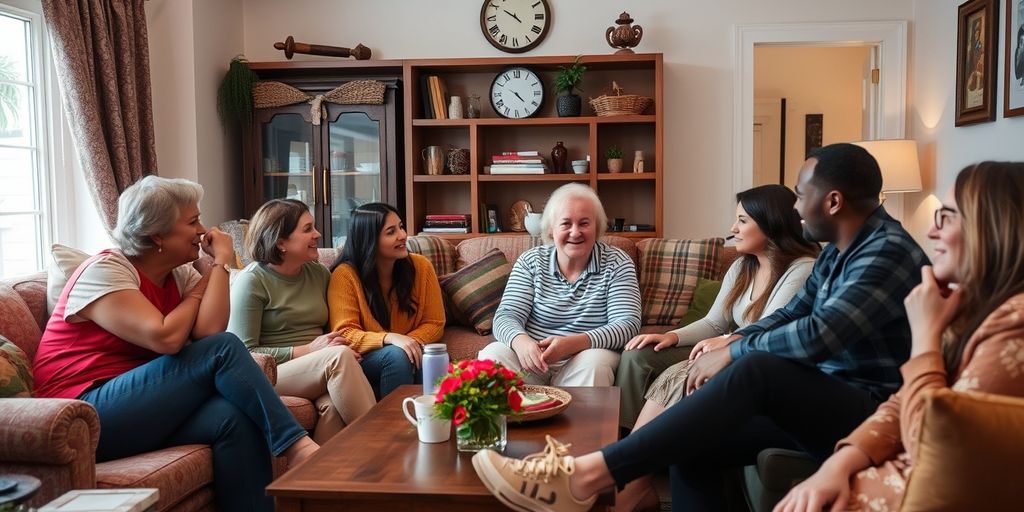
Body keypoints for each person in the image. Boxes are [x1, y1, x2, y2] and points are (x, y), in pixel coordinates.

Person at [471, 143, 929, 512]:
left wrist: (732, 351)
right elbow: (790, 316)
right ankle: (604, 475)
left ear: (833, 201)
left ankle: (588, 475)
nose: (794, 204)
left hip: (868, 407)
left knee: (756, 369)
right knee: (694, 446)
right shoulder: (837, 250)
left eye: (799, 193)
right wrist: (732, 339)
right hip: (825, 397)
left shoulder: (884, 252)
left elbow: (818, 335)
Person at [31, 176, 316, 512]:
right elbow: (167, 338)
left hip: (137, 407)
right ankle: (295, 445)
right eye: (192, 221)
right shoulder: (105, 270)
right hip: (81, 413)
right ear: (157, 235)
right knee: (224, 348)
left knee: (233, 417)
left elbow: (208, 332)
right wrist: (213, 271)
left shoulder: (178, 274)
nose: (203, 229)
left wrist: (219, 266)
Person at [775, 161, 1024, 512]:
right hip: (881, 484)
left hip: (912, 493)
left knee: (758, 372)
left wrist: (925, 336)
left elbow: (935, 442)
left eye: (946, 217)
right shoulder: (971, 307)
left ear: (993, 229)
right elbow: (900, 402)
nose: (932, 232)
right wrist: (837, 465)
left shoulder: (1015, 322)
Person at [614, 184, 820, 511]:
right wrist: (672, 337)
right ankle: (632, 479)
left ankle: (631, 484)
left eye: (742, 220)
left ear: (770, 224)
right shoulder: (742, 266)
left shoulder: (802, 270)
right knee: (653, 358)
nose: (732, 229)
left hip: (764, 361)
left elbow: (771, 328)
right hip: (735, 351)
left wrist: (725, 343)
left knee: (681, 373)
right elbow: (714, 321)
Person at [228, 199, 376, 444]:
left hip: (319, 367)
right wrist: (309, 350)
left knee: (333, 407)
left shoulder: (317, 273)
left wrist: (343, 345)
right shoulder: (252, 281)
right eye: (307, 229)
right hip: (267, 375)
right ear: (280, 242)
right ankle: (383, 446)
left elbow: (333, 329)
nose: (317, 234)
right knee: (338, 358)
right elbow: (243, 354)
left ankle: (319, 479)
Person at [478, 183, 641, 387]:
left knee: (595, 363)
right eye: (566, 224)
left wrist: (572, 344)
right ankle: (507, 420)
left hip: (584, 360)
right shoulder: (531, 262)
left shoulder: (617, 262)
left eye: (584, 223)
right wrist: (522, 343)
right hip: (532, 363)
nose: (575, 232)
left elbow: (627, 324)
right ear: (550, 229)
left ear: (598, 227)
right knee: (492, 355)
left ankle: (583, 420)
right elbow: (506, 316)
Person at [328, 202, 445, 399]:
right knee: (397, 356)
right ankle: (394, 427)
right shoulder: (345, 275)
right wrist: (391, 339)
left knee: (429, 358)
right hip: (365, 358)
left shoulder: (421, 267)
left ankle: (432, 425)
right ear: (370, 240)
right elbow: (345, 333)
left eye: (401, 227)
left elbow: (435, 322)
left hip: (405, 351)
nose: (402, 235)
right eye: (391, 232)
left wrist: (409, 344)